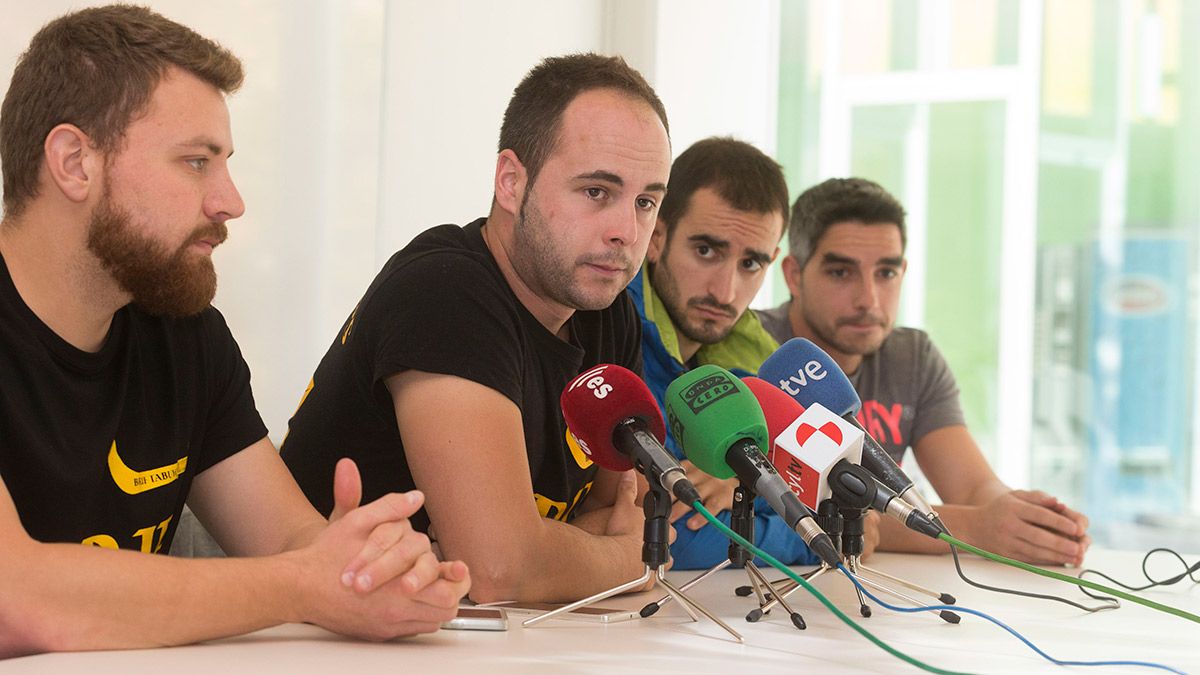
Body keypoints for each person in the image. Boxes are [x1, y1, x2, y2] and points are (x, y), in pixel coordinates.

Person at [0, 6, 469, 657]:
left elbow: (289, 542)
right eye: (196, 162)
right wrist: (304, 582)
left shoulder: (185, 336)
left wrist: (375, 566)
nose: (230, 200)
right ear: (74, 162)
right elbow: (15, 599)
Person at [280, 53, 673, 603]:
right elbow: (499, 570)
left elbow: (617, 510)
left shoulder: (608, 314)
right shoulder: (444, 291)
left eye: (646, 201)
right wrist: (629, 561)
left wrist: (548, 552)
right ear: (510, 182)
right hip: (307, 635)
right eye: (596, 192)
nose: (626, 231)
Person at [755, 177, 1090, 566]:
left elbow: (973, 488)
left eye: (886, 273)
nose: (869, 299)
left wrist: (1024, 518)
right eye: (841, 273)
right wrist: (980, 528)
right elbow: (791, 511)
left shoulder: (912, 356)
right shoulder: (753, 349)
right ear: (794, 275)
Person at [627, 137, 858, 569]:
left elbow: (841, 506)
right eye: (706, 250)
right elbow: (672, 537)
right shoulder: (612, 333)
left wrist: (740, 481)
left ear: (772, 260)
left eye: (750, 263)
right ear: (655, 238)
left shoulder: (761, 363)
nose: (725, 291)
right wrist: (807, 540)